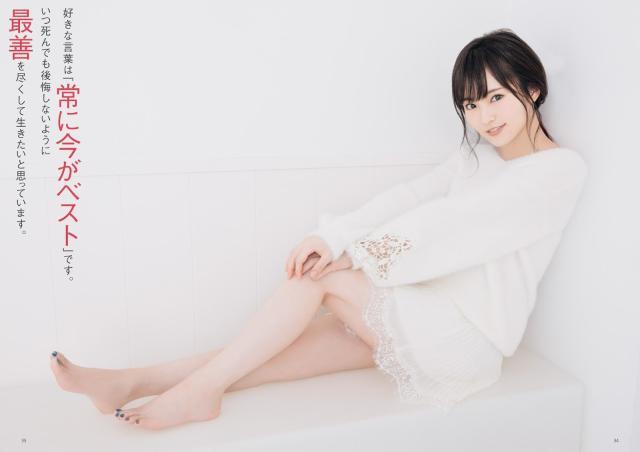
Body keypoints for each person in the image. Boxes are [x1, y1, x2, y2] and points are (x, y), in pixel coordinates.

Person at [49, 28, 588, 430]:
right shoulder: (477, 159)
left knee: (318, 280)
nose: (485, 116)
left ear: (533, 89)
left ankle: (197, 395)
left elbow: (457, 224)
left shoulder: (559, 171)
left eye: (496, 96)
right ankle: (133, 381)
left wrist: (356, 255)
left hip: (465, 338)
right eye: (471, 104)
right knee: (272, 354)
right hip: (421, 312)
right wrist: (334, 237)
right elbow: (408, 197)